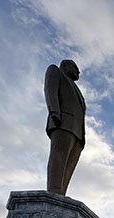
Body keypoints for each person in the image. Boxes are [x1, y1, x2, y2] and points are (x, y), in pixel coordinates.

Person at [44, 59, 86, 196]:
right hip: (63, 122)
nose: (78, 71)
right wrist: (54, 112)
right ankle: (53, 191)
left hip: (78, 133)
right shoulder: (55, 71)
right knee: (59, 157)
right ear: (65, 65)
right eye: (75, 67)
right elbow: (50, 90)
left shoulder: (77, 90)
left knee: (69, 164)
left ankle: (61, 194)